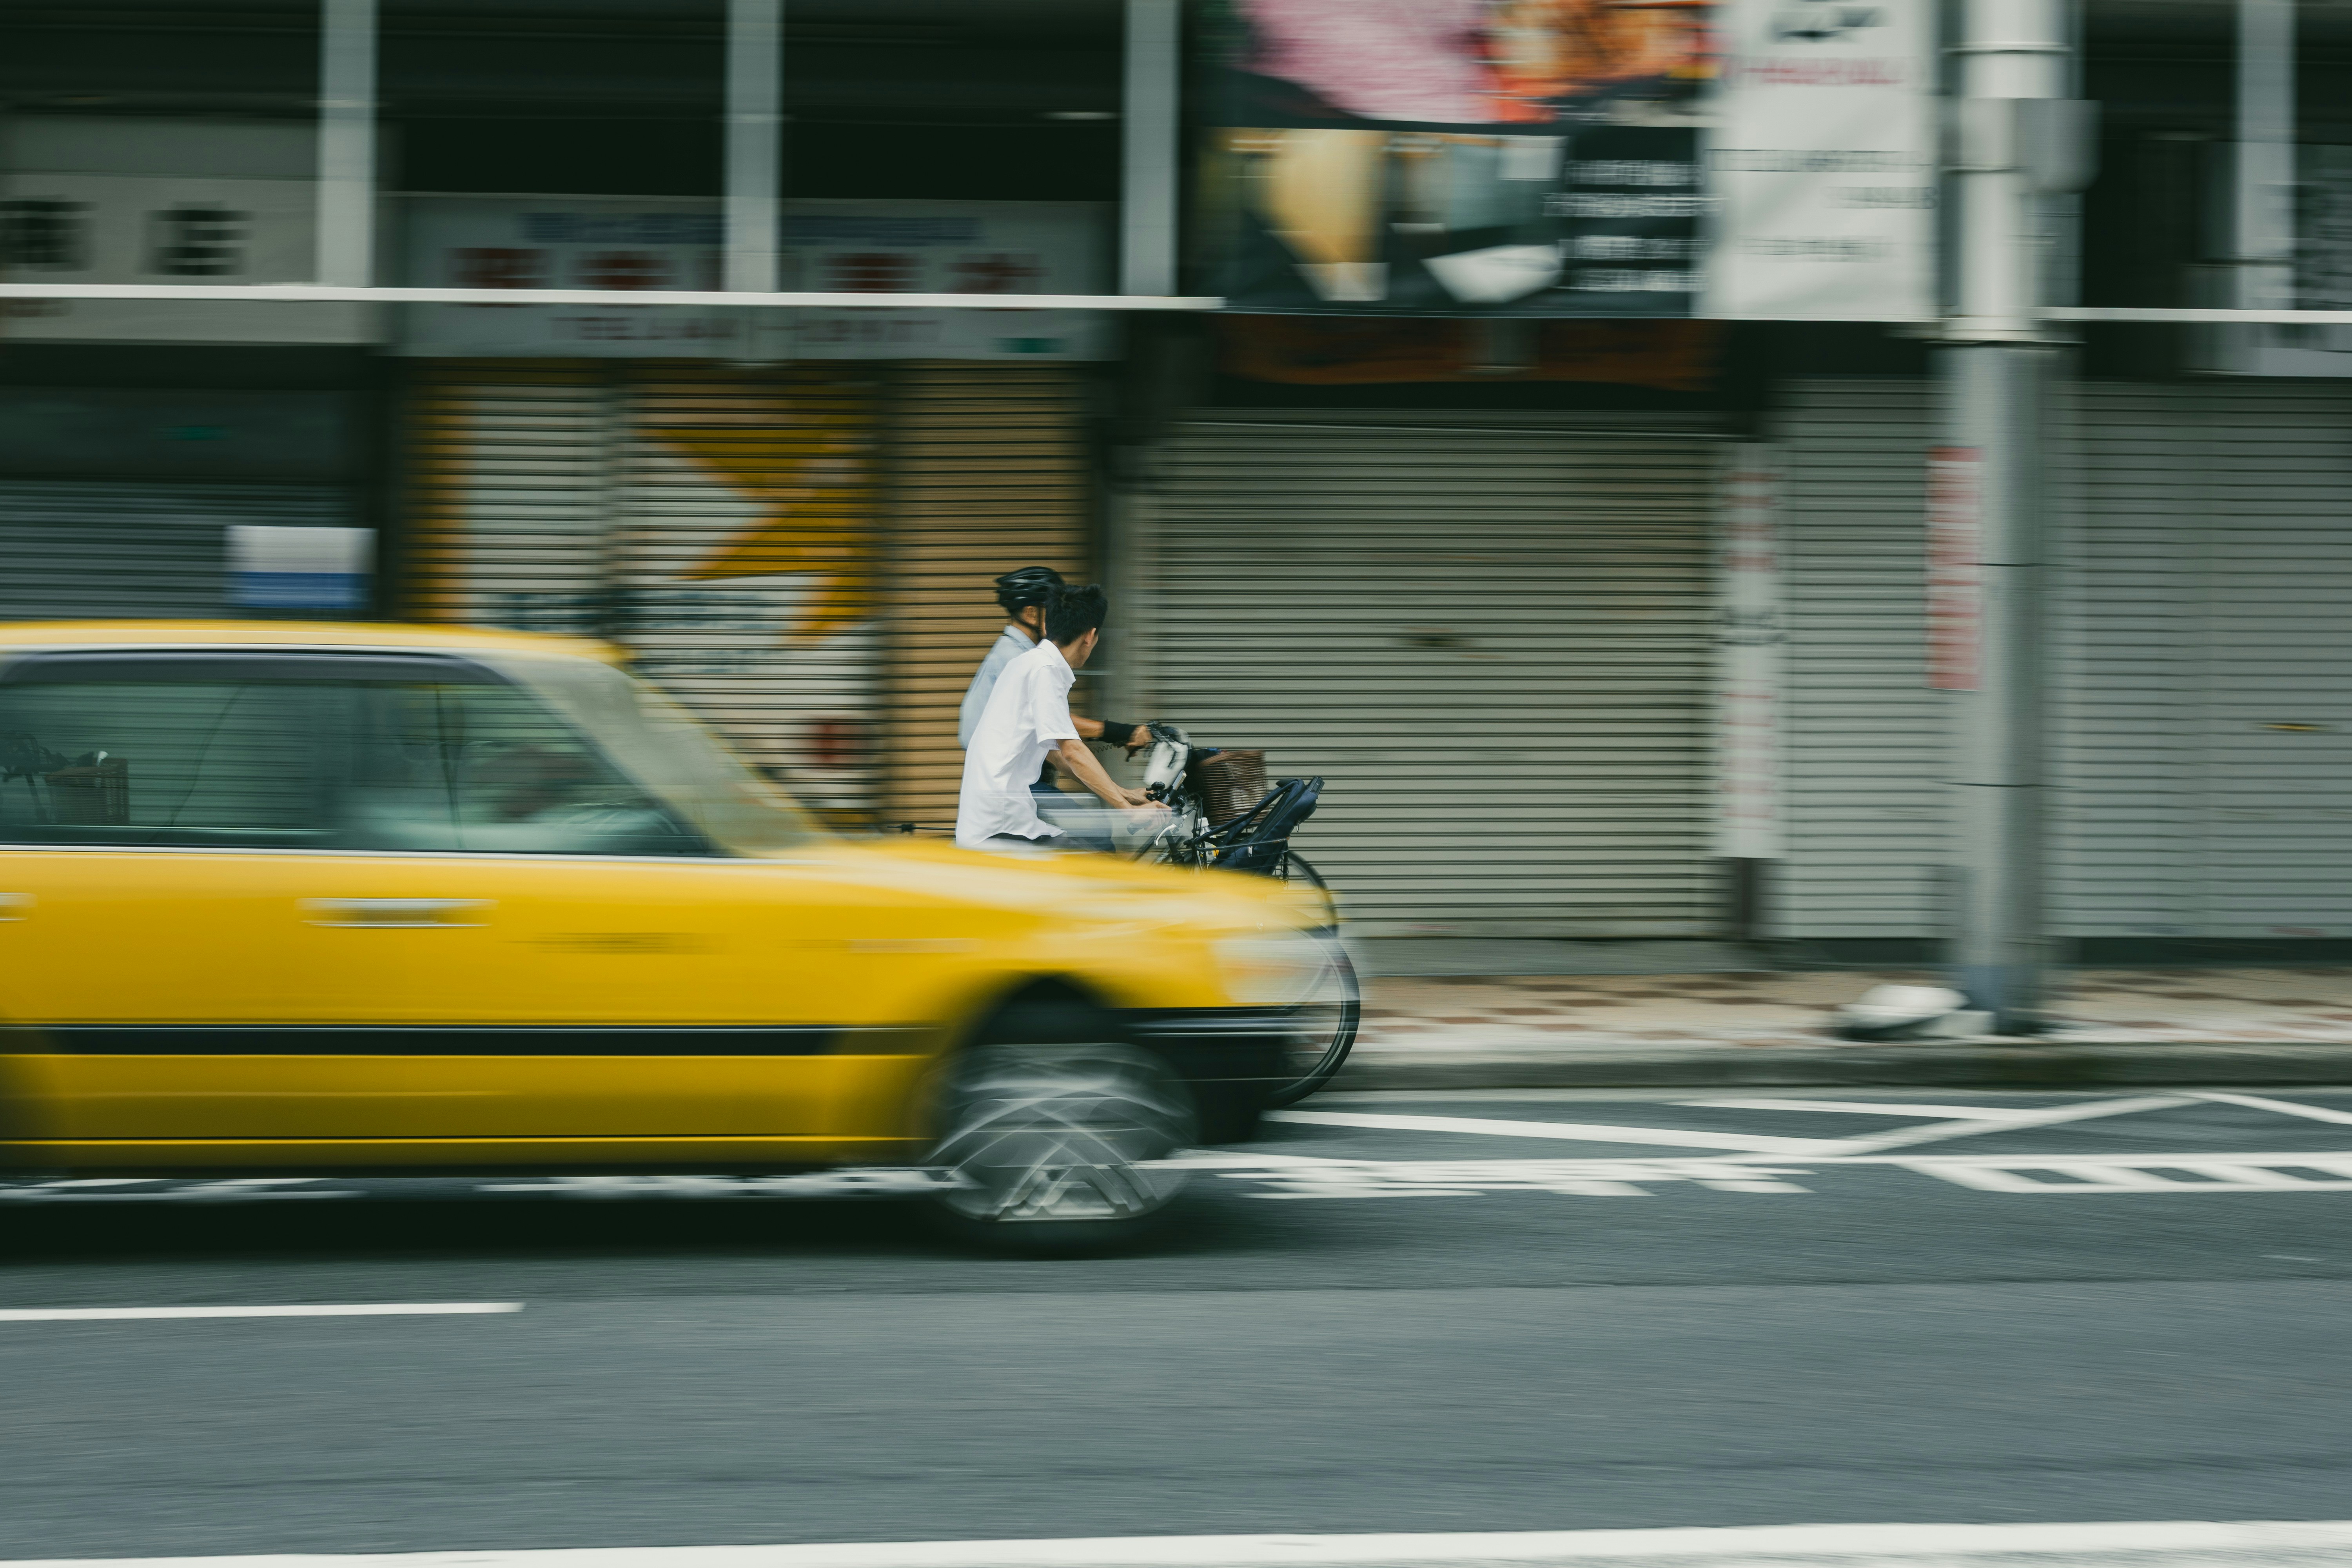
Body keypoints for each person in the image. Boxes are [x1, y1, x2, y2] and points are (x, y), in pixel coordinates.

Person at [956, 584, 1166, 852]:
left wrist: (1122, 793)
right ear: (1090, 636)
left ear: (1047, 627)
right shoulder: (1045, 671)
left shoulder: (1026, 664)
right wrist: (1128, 811)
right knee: (1097, 857)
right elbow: (1073, 751)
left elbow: (1056, 754)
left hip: (993, 821)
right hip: (1002, 826)